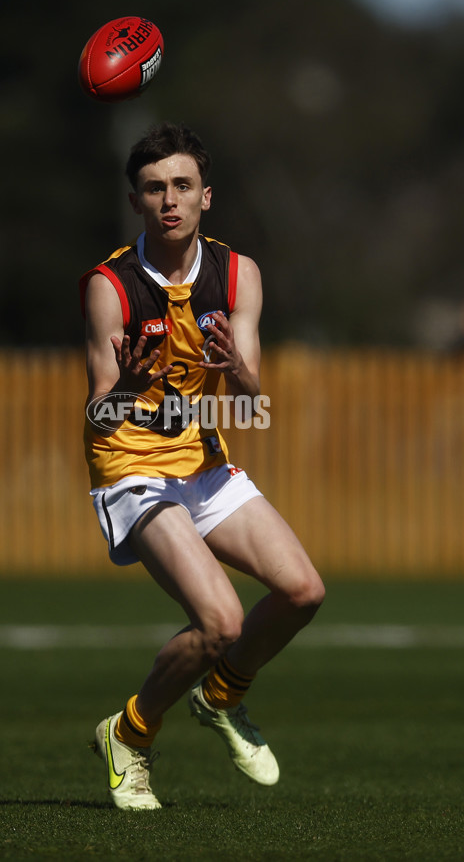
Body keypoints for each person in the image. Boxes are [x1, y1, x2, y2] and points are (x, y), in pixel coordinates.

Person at [80, 122, 325, 810]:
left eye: (182, 186)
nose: (169, 201)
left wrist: (240, 373)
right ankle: (129, 734)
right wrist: (125, 390)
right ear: (136, 201)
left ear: (206, 196)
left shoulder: (238, 273)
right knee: (219, 621)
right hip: (131, 468)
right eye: (154, 188)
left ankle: (221, 695)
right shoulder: (111, 285)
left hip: (203, 460)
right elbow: (96, 418)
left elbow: (256, 402)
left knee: (303, 591)